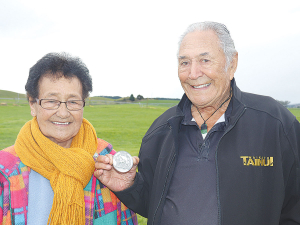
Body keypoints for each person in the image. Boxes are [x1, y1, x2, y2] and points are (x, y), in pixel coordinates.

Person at [95, 21, 300, 224]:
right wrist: (129, 186)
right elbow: (154, 204)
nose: (193, 74)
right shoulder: (160, 130)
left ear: (232, 64)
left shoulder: (275, 123)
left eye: (205, 60)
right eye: (184, 62)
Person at [0, 52, 138, 225]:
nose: (63, 113)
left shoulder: (107, 162)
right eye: (51, 101)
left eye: (73, 102)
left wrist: (129, 189)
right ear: (32, 105)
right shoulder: (5, 168)